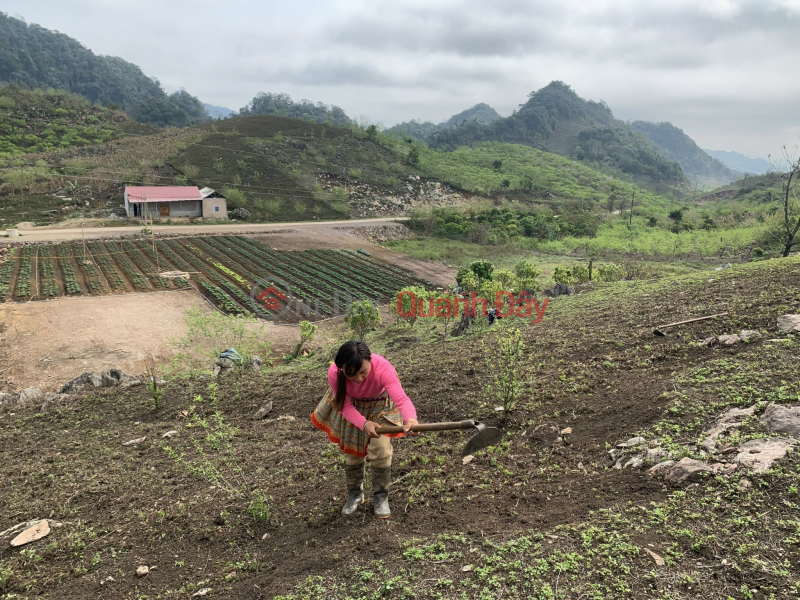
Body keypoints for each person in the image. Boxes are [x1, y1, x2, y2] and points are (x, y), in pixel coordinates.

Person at [310, 340, 419, 518]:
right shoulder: (335, 373)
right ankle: (355, 495)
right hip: (352, 406)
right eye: (351, 375)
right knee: (352, 452)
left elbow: (402, 399)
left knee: (381, 449)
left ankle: (381, 497)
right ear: (342, 369)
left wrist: (412, 420)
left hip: (379, 404)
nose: (359, 379)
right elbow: (344, 407)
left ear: (370, 361)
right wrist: (364, 424)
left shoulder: (383, 368)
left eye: (363, 372)